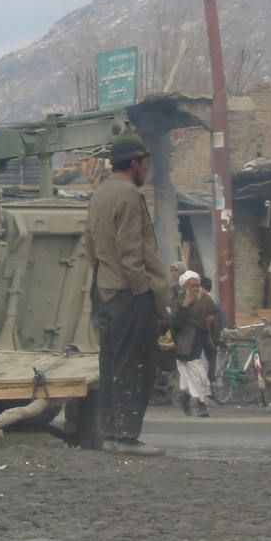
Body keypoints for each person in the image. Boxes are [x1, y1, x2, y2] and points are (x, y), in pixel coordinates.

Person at [84, 133, 169, 456]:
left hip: (104, 290)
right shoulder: (129, 196)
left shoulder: (100, 194)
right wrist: (143, 290)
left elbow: (89, 245)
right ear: (135, 163)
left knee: (111, 364)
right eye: (145, 163)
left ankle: (110, 434)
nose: (147, 169)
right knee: (137, 366)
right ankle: (127, 437)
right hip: (129, 293)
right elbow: (131, 251)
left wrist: (103, 276)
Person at [172, 270, 217, 417]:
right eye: (192, 286)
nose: (196, 288)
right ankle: (201, 404)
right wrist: (185, 305)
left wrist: (211, 320)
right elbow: (175, 323)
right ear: (185, 286)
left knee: (196, 372)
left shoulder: (206, 299)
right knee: (195, 372)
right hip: (185, 342)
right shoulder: (179, 301)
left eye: (197, 285)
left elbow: (215, 314)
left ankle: (187, 396)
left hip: (202, 339)